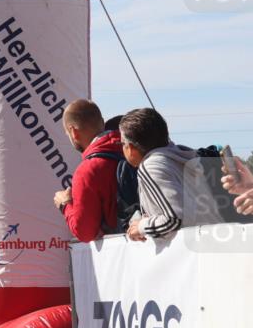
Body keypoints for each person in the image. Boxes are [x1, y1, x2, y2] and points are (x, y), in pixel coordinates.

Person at [119, 108, 223, 241]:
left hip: (194, 252)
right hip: (213, 242)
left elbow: (174, 219)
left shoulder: (151, 166)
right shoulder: (181, 157)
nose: (122, 148)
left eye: (122, 143)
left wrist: (141, 227)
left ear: (131, 148)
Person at [53, 99, 128, 241]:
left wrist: (65, 205)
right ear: (102, 122)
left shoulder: (88, 170)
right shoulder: (133, 151)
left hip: (121, 255)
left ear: (73, 132)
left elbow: (84, 232)